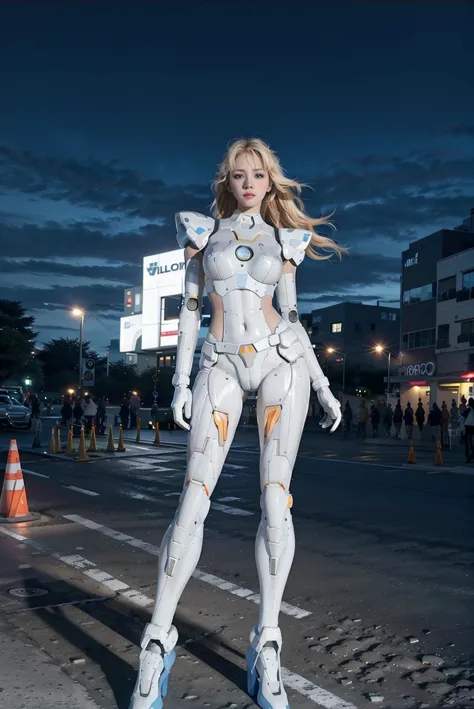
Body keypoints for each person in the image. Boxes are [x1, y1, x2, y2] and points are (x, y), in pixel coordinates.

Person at [129, 138, 345, 709]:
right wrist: (178, 383)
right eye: (238, 174)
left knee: (277, 500)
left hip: (281, 361)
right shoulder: (201, 233)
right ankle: (157, 640)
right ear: (226, 180)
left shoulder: (285, 241)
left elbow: (294, 317)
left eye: (258, 174)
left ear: (271, 182)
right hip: (219, 362)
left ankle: (267, 642)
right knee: (192, 500)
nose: (248, 182)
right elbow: (191, 312)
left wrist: (321, 384)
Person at [461, 397, 474, 463]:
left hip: (468, 428)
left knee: (467, 443)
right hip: (472, 428)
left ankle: (469, 457)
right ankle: (472, 455)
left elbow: (463, 415)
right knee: (471, 443)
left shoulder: (468, 410)